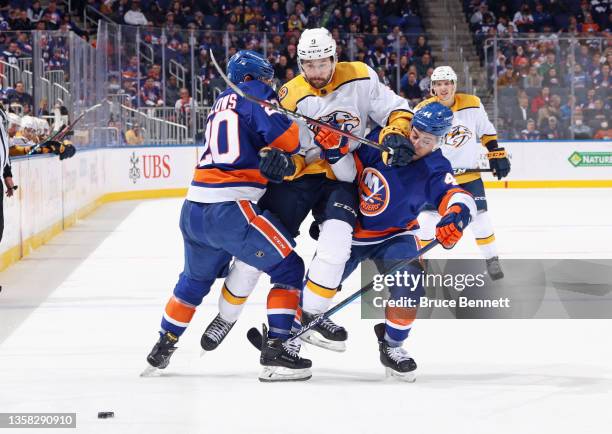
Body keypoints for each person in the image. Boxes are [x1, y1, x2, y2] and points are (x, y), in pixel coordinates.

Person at [199, 28, 413, 353]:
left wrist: (396, 132)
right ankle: (226, 315)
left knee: (337, 244)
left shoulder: (360, 76)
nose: (316, 73)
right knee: (258, 249)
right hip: (300, 178)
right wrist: (283, 164)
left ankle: (310, 312)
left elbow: (397, 109)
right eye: (309, 65)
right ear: (300, 63)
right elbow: (287, 150)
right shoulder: (287, 95)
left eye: (322, 64)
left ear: (334, 57)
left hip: (341, 174)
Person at [143, 50, 312, 382]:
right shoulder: (255, 93)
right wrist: (294, 123)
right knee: (289, 267)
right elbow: (291, 141)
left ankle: (163, 345)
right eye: (266, 79)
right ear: (252, 79)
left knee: (192, 283)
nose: (269, 85)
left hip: (193, 209)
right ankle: (277, 349)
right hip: (231, 209)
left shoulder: (220, 102)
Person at [335, 102, 477, 382]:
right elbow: (344, 171)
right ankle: (286, 334)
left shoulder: (435, 166)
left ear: (438, 142)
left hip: (396, 234)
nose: (417, 144)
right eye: (415, 135)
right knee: (321, 285)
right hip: (352, 232)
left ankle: (392, 345)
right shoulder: (383, 138)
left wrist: (457, 216)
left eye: (427, 141)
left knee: (410, 288)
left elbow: (456, 195)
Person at [414, 66, 510, 280]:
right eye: (438, 84)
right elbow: (415, 143)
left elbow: (486, 131)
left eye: (447, 83)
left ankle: (492, 259)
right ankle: (420, 261)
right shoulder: (421, 109)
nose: (443, 88)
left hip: (468, 177)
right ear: (432, 88)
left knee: (481, 217)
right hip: (437, 178)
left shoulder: (472, 104)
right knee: (427, 220)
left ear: (454, 85)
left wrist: (496, 152)